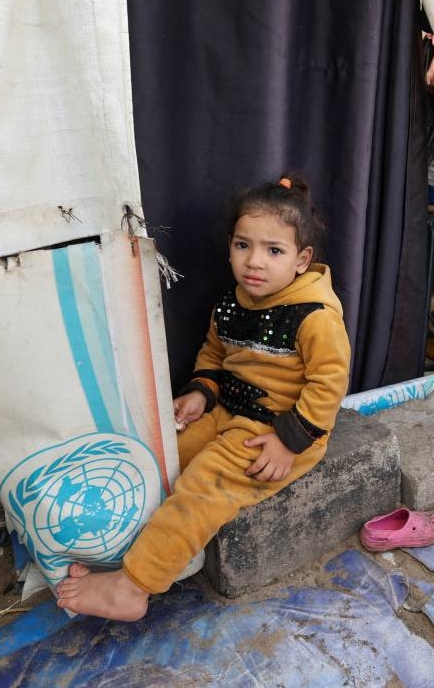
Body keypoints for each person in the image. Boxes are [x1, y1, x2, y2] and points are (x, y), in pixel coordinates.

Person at [55, 173, 351, 621]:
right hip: (228, 411)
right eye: (242, 245)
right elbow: (214, 353)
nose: (254, 261)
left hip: (272, 431)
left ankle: (134, 587)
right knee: (166, 459)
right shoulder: (232, 302)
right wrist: (201, 392)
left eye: (274, 251)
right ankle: (125, 554)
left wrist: (289, 441)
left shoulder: (314, 316)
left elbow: (329, 384)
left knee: (202, 488)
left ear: (300, 260)